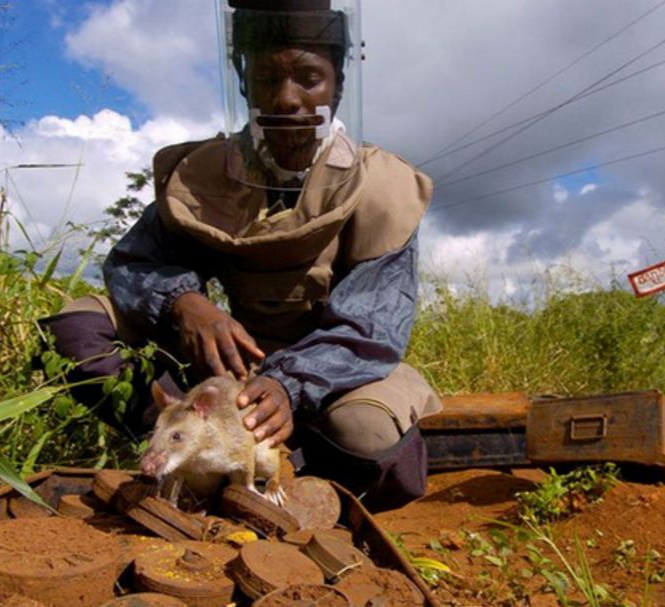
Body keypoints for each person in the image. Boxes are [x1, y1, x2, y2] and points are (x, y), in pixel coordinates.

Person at [40, 0, 441, 511]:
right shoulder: (204, 175)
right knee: (76, 329)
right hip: (228, 377)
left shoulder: (383, 188)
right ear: (242, 79)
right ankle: (189, 453)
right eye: (267, 78)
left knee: (364, 433)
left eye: (309, 78)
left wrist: (287, 385)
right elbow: (132, 263)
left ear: (338, 85)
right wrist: (183, 303)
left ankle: (300, 468)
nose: (287, 99)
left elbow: (371, 329)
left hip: (339, 375)